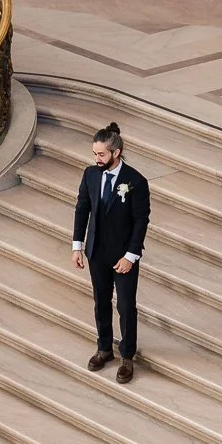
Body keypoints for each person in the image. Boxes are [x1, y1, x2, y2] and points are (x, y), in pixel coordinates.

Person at [71, 121, 151, 385]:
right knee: (101, 302)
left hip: (123, 255)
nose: (96, 159)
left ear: (116, 152)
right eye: (94, 154)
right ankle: (104, 348)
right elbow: (82, 209)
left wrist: (131, 256)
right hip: (96, 252)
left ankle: (127, 355)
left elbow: (141, 220)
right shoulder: (91, 175)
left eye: (101, 154)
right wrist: (77, 245)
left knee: (126, 306)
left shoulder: (136, 181)